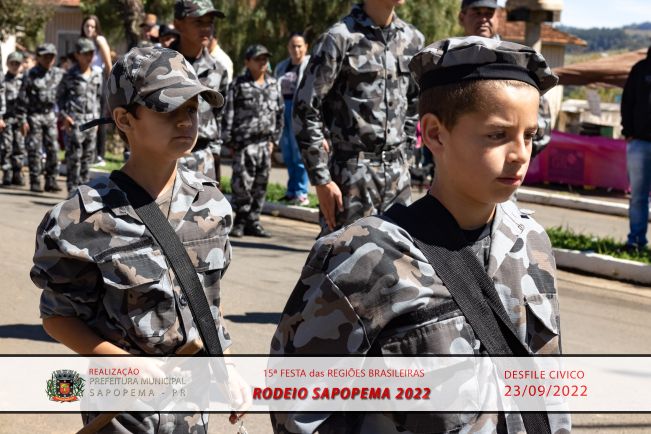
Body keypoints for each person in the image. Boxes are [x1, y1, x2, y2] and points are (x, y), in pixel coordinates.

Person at [270, 36, 569, 433]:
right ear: (434, 134)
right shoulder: (367, 258)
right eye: (497, 135)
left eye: (528, 135)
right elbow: (298, 411)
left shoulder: (530, 241)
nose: (519, 154)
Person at [32, 46, 245, 433]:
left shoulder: (212, 205)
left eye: (192, 108)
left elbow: (209, 301)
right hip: (123, 411)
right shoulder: (83, 217)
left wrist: (225, 365)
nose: (185, 120)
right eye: (168, 109)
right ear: (124, 119)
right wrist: (122, 363)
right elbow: (57, 317)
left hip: (191, 410)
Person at [294, 0, 424, 236]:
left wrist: (406, 155)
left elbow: (414, 103)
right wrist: (321, 179)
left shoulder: (413, 40)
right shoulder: (340, 38)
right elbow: (305, 108)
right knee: (345, 254)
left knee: (399, 255)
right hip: (352, 175)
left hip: (397, 177)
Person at [459, 0, 552, 159]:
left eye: (489, 13)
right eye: (477, 13)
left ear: (498, 17)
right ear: (462, 17)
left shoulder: (517, 60)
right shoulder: (446, 59)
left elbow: (541, 128)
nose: (484, 19)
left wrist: (509, 156)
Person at [222, 44, 284, 238]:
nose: (262, 62)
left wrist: (274, 140)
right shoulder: (238, 85)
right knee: (241, 184)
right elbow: (228, 112)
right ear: (247, 62)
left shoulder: (274, 84)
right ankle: (240, 220)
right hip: (244, 144)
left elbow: (280, 114)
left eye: (265, 58)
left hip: (265, 144)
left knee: (260, 184)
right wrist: (229, 142)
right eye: (258, 59)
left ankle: (254, 221)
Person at [172, 0, 229, 182]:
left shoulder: (218, 69)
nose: (206, 29)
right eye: (198, 22)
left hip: (203, 158)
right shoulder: (158, 65)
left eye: (210, 23)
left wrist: (215, 152)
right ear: (178, 24)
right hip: (165, 155)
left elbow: (220, 114)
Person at [56, 38, 103, 195]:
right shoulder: (70, 75)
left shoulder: (97, 75)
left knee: (87, 159)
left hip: (91, 121)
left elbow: (98, 99)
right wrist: (65, 116)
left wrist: (97, 121)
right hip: (74, 121)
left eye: (91, 53)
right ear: (77, 55)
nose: (89, 57)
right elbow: (59, 98)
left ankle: (84, 193)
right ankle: (72, 191)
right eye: (85, 53)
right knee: (73, 158)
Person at [18, 43, 64, 193]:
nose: (48, 59)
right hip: (34, 115)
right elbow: (22, 99)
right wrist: (22, 120)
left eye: (51, 56)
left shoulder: (59, 74)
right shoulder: (30, 74)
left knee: (53, 148)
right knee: (34, 149)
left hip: (50, 115)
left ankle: (51, 181)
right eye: (45, 56)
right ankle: (35, 181)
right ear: (38, 57)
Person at [620, 45, 651, 253]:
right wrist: (628, 131)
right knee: (639, 196)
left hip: (639, 144)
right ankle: (636, 241)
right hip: (639, 142)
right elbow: (627, 101)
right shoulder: (641, 69)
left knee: (639, 197)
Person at [274, 33, 310, 206]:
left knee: (299, 154)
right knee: (287, 153)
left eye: (299, 46)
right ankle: (291, 191)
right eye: (293, 46)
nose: (296, 49)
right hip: (283, 111)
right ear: (288, 48)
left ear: (306, 47)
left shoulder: (310, 65)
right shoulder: (282, 66)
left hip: (300, 113)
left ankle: (302, 193)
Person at [81, 15, 112, 167]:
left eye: (92, 26)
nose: (89, 29)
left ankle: (100, 155)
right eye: (87, 26)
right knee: (86, 115)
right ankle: (88, 153)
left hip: (99, 81)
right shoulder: (82, 42)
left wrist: (111, 85)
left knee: (99, 117)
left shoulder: (100, 40)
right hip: (85, 82)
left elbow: (108, 64)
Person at [0, 52, 26, 186]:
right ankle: (7, 173)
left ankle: (17, 173)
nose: (15, 66)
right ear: (7, 64)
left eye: (17, 63)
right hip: (7, 119)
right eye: (12, 63)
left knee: (19, 147)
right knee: (6, 147)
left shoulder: (24, 81)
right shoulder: (3, 81)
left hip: (20, 120)